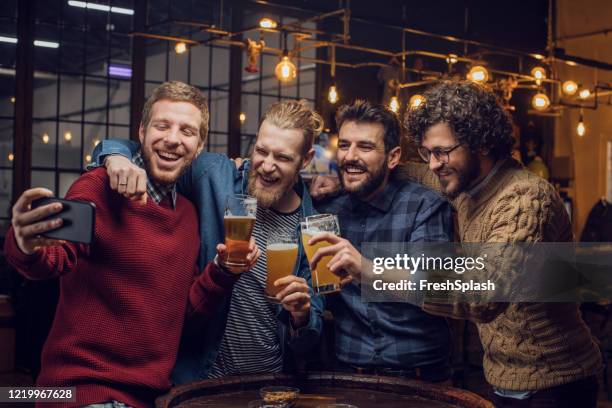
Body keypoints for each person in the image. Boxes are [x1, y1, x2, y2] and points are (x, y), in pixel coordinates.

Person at [313, 81, 603, 407]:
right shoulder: (464, 182)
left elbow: (482, 292)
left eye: (442, 152)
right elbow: (394, 169)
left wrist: (370, 269)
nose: (434, 164)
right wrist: (339, 177)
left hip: (557, 381)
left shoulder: (524, 197)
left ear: (480, 143)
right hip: (503, 378)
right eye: (428, 152)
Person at [4, 81, 258, 407]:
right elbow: (56, 257)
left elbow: (181, 316)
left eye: (187, 131)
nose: (172, 139)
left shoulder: (189, 215)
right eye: (162, 126)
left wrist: (222, 272)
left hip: (152, 398)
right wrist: (26, 243)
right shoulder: (99, 187)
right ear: (141, 131)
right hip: (81, 393)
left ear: (199, 146)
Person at [91, 99, 324, 382]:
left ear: (306, 159)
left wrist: (302, 315)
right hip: (202, 376)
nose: (267, 166)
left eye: (283, 158)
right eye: (261, 151)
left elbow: (309, 338)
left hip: (269, 384)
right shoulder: (213, 175)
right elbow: (153, 152)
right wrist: (115, 156)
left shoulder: (313, 226)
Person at [309, 99, 454, 382]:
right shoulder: (329, 209)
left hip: (418, 376)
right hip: (347, 373)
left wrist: (367, 269)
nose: (351, 156)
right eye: (344, 145)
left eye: (365, 147)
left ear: (392, 157)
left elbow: (440, 287)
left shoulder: (423, 206)